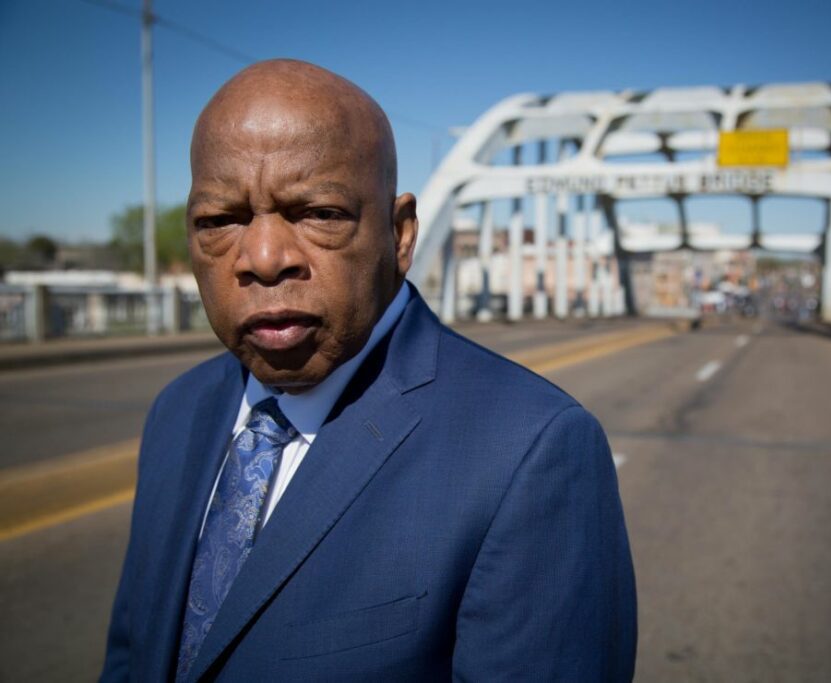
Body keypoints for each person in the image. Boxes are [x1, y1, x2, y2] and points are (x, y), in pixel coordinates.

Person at [100, 59, 636, 682]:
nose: (265, 259)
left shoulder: (531, 450)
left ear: (401, 235)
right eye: (220, 221)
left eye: (319, 214)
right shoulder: (178, 411)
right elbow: (133, 655)